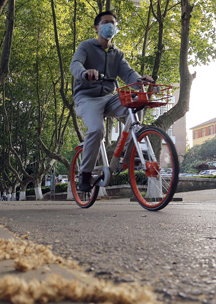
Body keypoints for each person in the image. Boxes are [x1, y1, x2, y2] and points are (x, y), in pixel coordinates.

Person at [70, 10, 153, 192]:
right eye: (106, 22)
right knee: (97, 130)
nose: (110, 26)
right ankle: (85, 174)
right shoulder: (86, 46)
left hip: (109, 98)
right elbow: (75, 64)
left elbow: (128, 73)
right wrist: (85, 73)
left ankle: (128, 146)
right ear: (97, 27)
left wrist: (140, 81)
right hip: (86, 98)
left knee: (136, 102)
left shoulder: (118, 54)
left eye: (113, 23)